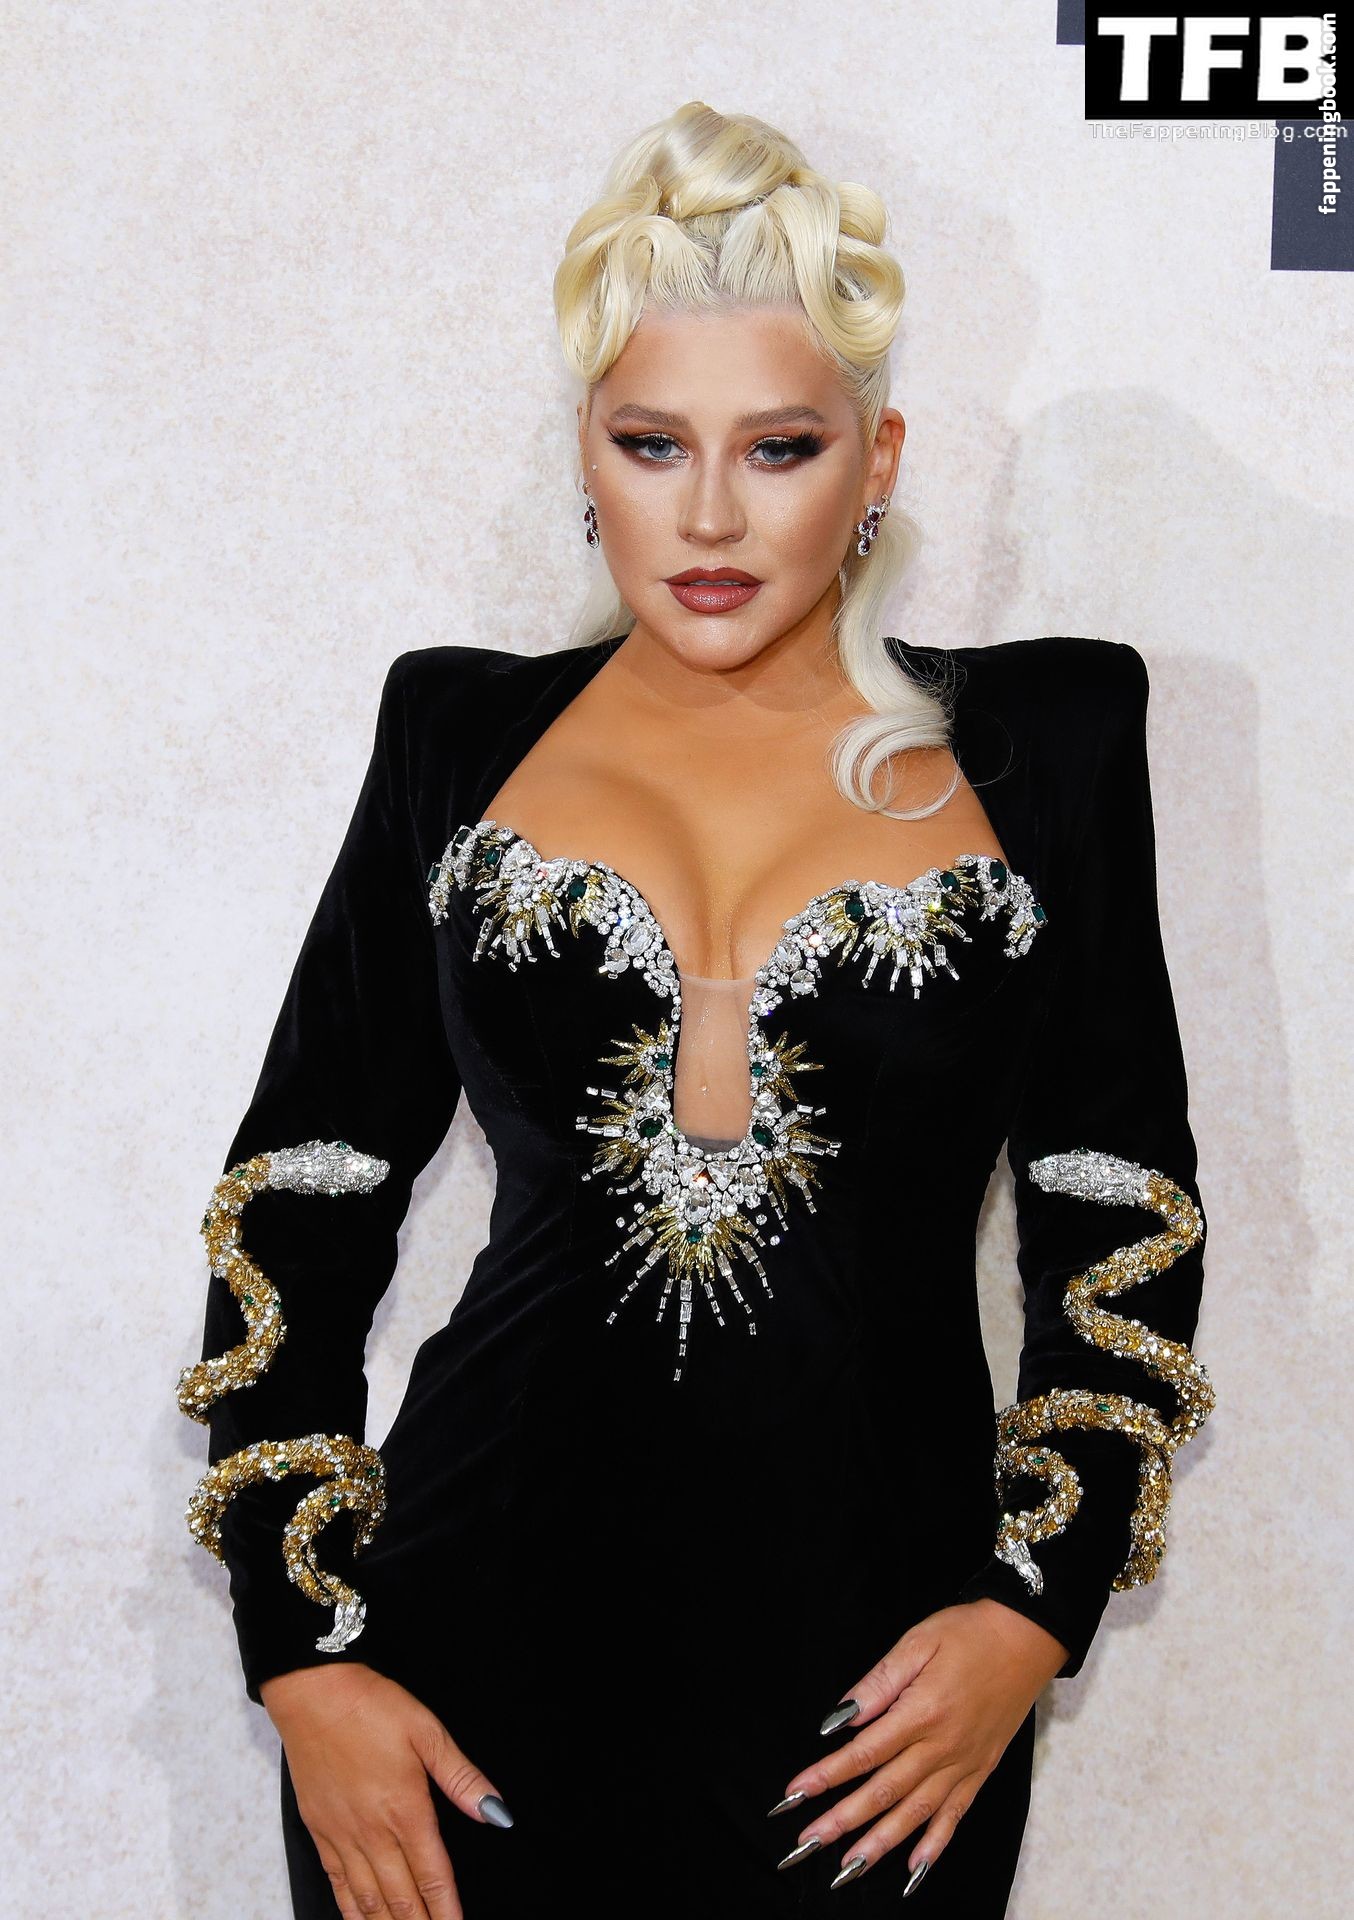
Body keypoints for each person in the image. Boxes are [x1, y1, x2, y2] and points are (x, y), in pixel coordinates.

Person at [179, 101, 1216, 1919]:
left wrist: (1026, 1615)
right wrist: (301, 1655)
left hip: (879, 1709)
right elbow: (304, 1188)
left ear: (877, 459)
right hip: (456, 1667)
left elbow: (1114, 1206)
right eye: (651, 443)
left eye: (780, 447)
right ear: (586, 451)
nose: (711, 514)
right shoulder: (455, 736)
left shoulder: (1041, 746)